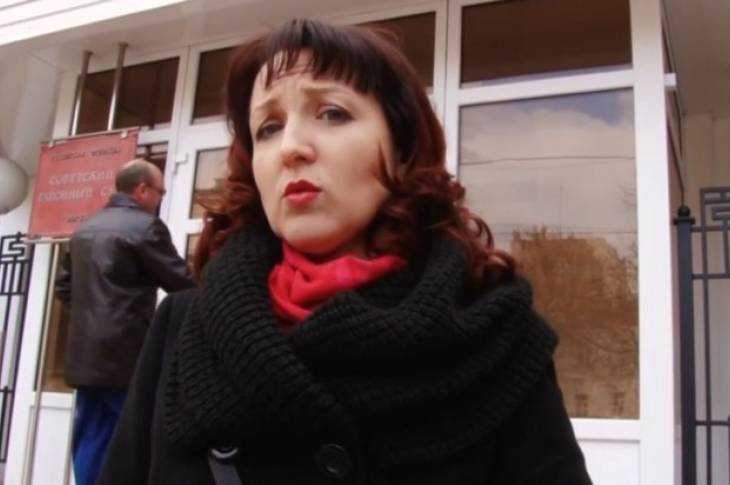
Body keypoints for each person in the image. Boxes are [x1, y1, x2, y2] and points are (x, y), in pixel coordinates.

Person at [99, 19, 592, 485]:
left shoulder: (498, 335)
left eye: (332, 113)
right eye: (268, 127)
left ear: (401, 147)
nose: (291, 147)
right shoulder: (181, 328)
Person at [55, 158, 195, 485]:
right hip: (127, 358)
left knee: (92, 438)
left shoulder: (84, 229)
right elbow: (182, 283)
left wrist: (92, 315)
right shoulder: (145, 227)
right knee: (139, 441)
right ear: (142, 190)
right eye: (160, 192)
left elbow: (63, 287)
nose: (160, 198)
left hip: (85, 359)